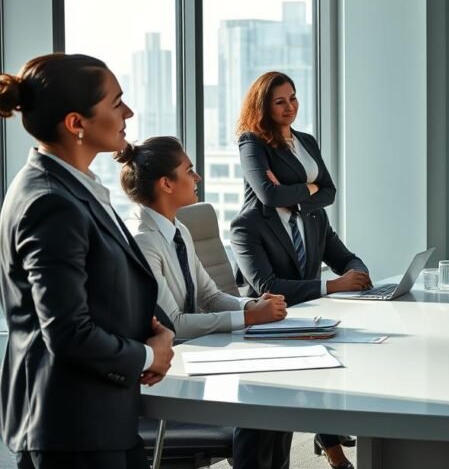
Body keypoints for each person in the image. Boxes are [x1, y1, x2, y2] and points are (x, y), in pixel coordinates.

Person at [0, 54, 175, 469]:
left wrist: (149, 328)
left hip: (97, 420)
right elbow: (67, 331)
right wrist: (149, 356)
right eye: (117, 103)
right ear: (76, 123)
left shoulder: (73, 188)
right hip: (73, 431)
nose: (128, 112)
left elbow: (97, 290)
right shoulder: (50, 201)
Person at [231, 72, 369, 469]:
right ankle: (333, 450)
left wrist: (358, 277)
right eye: (279, 101)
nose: (289, 106)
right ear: (263, 105)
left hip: (306, 315)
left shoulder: (311, 207)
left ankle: (332, 447)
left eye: (293, 98)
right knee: (275, 410)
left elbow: (329, 193)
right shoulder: (252, 146)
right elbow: (269, 195)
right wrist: (307, 189)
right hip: (267, 320)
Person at [118, 136, 288, 340]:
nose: (197, 177)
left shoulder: (178, 229)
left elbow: (210, 297)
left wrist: (253, 304)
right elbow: (173, 324)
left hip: (194, 347)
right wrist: (249, 317)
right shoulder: (142, 241)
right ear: (166, 184)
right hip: (166, 359)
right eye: (189, 171)